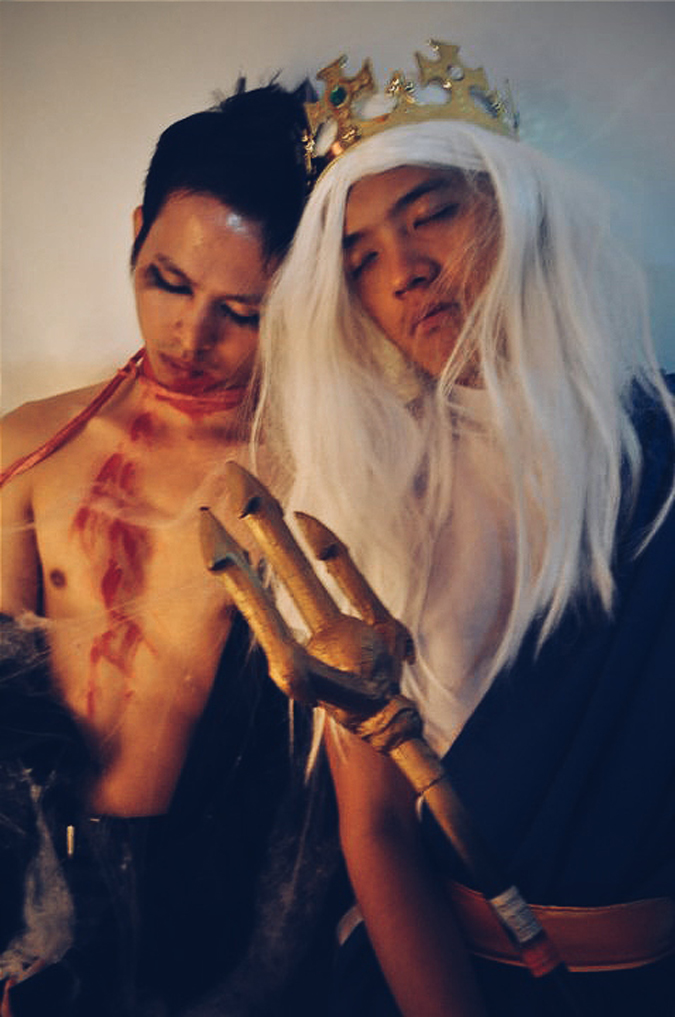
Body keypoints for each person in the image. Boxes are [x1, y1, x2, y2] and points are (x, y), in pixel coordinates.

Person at [254, 42, 675, 1017]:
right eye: (361, 260)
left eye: (430, 214)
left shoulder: (659, 446)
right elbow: (376, 829)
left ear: (511, 205)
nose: (404, 273)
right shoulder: (367, 493)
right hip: (442, 978)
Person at [0, 83, 342, 1016]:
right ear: (136, 233)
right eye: (169, 282)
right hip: (40, 873)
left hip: (228, 887)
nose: (192, 337)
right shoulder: (33, 446)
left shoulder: (313, 474)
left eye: (244, 309)